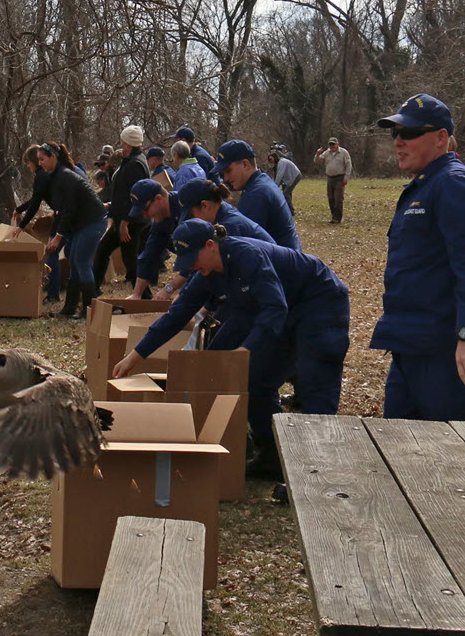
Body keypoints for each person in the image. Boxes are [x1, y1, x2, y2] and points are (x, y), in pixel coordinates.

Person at [113, 219, 350, 479]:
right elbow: (176, 315)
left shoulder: (248, 256)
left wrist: (246, 350)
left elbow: (276, 307)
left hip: (317, 301)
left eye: (194, 257)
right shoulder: (206, 274)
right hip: (265, 309)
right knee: (248, 377)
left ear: (211, 245)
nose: (192, 266)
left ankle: (321, 469)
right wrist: (136, 355)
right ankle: (272, 454)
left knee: (314, 378)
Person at [371, 93, 465, 422]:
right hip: (412, 350)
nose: (399, 142)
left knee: (457, 463)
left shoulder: (454, 184)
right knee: (400, 455)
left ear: (441, 138)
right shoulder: (424, 186)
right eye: (395, 134)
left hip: (452, 359)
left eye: (410, 133)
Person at [127, 177, 274, 301]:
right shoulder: (172, 216)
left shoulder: (226, 225)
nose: (145, 216)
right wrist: (137, 294)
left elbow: (200, 262)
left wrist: (173, 289)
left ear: (204, 206)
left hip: (267, 280)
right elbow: (151, 253)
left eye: (146, 209)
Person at [36, 142, 107, 318]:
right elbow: (63, 211)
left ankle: (89, 311)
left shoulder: (65, 177)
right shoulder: (57, 175)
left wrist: (57, 237)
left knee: (81, 262)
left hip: (94, 221)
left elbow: (70, 210)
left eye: (42, 159)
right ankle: (69, 308)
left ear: (53, 157)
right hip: (82, 223)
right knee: (74, 261)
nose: (40, 163)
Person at [212, 140, 301, 251]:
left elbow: (243, 245)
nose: (226, 178)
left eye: (228, 171)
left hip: (282, 264)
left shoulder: (256, 194)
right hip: (289, 255)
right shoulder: (261, 181)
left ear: (245, 164)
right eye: (223, 173)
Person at [93, 125, 150, 292]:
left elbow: (135, 197)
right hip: (122, 219)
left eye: (123, 142)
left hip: (129, 222)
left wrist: (125, 222)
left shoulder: (135, 165)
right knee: (103, 251)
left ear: (129, 144)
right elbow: (123, 192)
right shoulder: (131, 161)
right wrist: (114, 206)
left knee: (130, 261)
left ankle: (145, 297)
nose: (121, 145)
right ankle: (92, 291)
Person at [12, 145, 64, 303]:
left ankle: (53, 293)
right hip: (62, 214)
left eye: (29, 164)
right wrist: (19, 209)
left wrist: (22, 226)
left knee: (52, 253)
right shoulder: (45, 176)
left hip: (63, 215)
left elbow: (35, 204)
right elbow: (36, 198)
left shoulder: (42, 176)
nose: (29, 167)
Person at [314, 137, 352, 223]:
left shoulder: (343, 152)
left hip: (340, 177)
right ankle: (333, 216)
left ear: (337, 144)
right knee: (331, 198)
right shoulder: (327, 153)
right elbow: (317, 161)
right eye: (330, 144)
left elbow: (348, 165)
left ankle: (337, 218)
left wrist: (346, 178)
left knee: (338, 198)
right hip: (330, 178)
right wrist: (317, 154)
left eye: (333, 144)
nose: (332, 146)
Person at [267, 149, 302, 215]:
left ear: (275, 157)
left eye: (271, 159)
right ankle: (289, 209)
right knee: (286, 193)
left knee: (286, 194)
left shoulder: (281, 163)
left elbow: (279, 176)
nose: (270, 161)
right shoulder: (279, 164)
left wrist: (275, 187)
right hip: (290, 178)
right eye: (269, 160)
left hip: (295, 176)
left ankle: (291, 211)